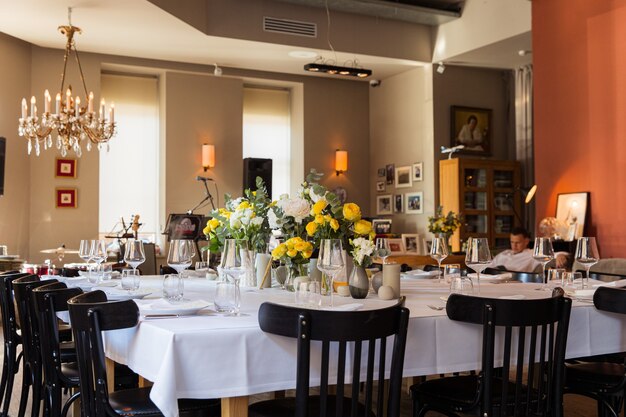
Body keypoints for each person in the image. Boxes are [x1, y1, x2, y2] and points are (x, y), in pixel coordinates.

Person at [490, 227, 568, 272]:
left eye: (517, 242)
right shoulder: (505, 253)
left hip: (514, 280)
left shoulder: (532, 253)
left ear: (526, 241)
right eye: (512, 242)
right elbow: (489, 267)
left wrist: (560, 255)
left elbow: (553, 254)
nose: (514, 246)